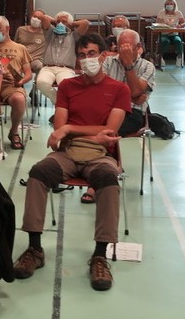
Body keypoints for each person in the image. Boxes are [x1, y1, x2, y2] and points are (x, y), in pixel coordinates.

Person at [12, 33, 131, 291]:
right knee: (38, 172)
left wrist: (69, 129)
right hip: (67, 153)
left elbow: (109, 131)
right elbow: (59, 126)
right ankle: (34, 249)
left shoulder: (119, 89)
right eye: (82, 55)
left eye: (92, 54)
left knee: (108, 180)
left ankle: (100, 255)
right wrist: (74, 131)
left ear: (104, 56)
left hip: (100, 155)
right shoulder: (67, 87)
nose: (87, 59)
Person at [0, 15, 32, 150]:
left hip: (10, 85)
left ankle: (14, 131)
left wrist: (21, 81)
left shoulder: (20, 48)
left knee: (19, 99)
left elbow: (28, 74)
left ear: (7, 29)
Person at [102, 28, 155, 137]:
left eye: (128, 47)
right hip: (108, 107)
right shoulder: (107, 62)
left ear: (138, 47)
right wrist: (132, 98)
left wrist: (128, 64)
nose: (124, 51)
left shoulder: (147, 66)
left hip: (132, 111)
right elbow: (102, 90)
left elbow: (135, 91)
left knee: (116, 126)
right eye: (121, 47)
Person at [34, 11, 90, 105]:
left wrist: (71, 24)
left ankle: (62, 106)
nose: (60, 24)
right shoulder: (50, 32)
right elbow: (43, 18)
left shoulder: (74, 36)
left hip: (66, 69)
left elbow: (85, 23)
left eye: (63, 21)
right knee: (41, 82)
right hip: (48, 68)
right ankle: (60, 103)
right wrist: (55, 21)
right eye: (58, 21)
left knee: (67, 86)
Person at [15, 9, 49, 74]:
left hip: (35, 60)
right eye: (34, 16)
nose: (36, 19)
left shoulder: (46, 33)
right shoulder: (21, 29)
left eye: (39, 18)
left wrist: (46, 19)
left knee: (40, 67)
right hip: (21, 59)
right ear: (31, 16)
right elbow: (15, 44)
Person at [155, 0, 185, 67]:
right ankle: (160, 57)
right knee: (165, 41)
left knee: (178, 41)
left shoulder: (178, 13)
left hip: (174, 34)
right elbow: (157, 23)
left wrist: (180, 25)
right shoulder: (161, 13)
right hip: (164, 34)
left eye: (171, 4)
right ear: (165, 5)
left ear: (174, 5)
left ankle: (179, 57)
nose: (169, 5)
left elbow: (184, 23)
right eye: (167, 4)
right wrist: (163, 23)